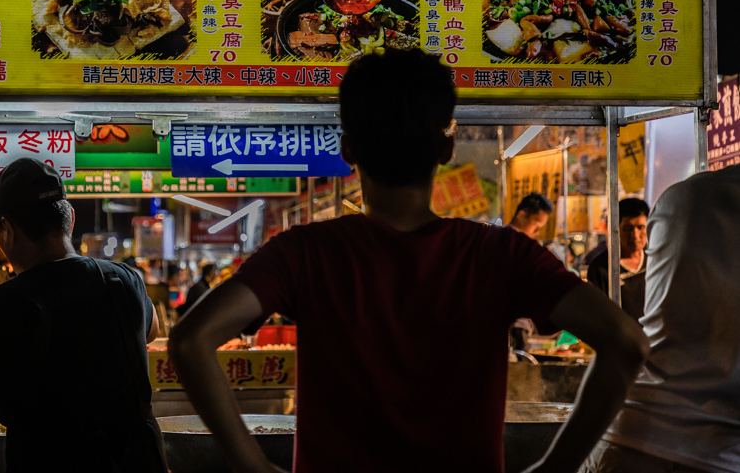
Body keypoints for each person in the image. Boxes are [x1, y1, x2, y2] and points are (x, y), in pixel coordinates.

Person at [168, 49, 648, 473]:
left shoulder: (305, 252)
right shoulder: (502, 254)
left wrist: (250, 464)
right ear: (446, 148)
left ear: (348, 150)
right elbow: (626, 342)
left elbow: (190, 339)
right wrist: (553, 467)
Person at [0, 158, 167, 473]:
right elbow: (152, 330)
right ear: (71, 220)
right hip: (138, 462)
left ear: (7, 231)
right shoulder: (124, 279)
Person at [581, 165, 740, 473]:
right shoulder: (602, 266)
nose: (637, 235)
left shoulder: (683, 195)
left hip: (624, 437)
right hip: (714, 454)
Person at [585, 197, 649, 321]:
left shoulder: (655, 261)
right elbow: (597, 314)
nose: (635, 235)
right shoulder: (600, 268)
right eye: (628, 229)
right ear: (616, 229)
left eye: (640, 227)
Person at [507, 193, 554, 352]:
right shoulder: (511, 245)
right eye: (536, 224)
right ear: (521, 215)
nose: (537, 232)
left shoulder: (524, 247)